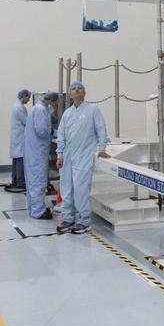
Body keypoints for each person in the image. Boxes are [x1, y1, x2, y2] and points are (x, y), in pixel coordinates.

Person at [55, 80, 109, 234]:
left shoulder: (93, 110)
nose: (77, 90)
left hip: (84, 155)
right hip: (67, 156)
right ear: (70, 94)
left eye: (80, 88)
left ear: (84, 93)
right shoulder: (67, 113)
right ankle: (68, 218)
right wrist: (59, 155)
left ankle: (85, 221)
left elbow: (101, 130)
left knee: (80, 188)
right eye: (74, 88)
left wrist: (102, 148)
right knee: (67, 188)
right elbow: (61, 135)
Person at [23, 93, 58, 220]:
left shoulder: (37, 108)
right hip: (37, 152)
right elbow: (42, 131)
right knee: (38, 181)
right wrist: (54, 132)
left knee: (33, 181)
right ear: (51, 101)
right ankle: (38, 211)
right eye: (55, 103)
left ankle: (34, 208)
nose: (55, 106)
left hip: (33, 151)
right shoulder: (41, 110)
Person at [4, 90, 32, 192]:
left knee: (16, 160)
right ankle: (20, 182)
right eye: (28, 97)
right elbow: (27, 121)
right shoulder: (20, 107)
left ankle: (15, 181)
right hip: (20, 137)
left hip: (17, 137)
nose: (29, 99)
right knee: (20, 159)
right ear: (23, 96)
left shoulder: (16, 106)